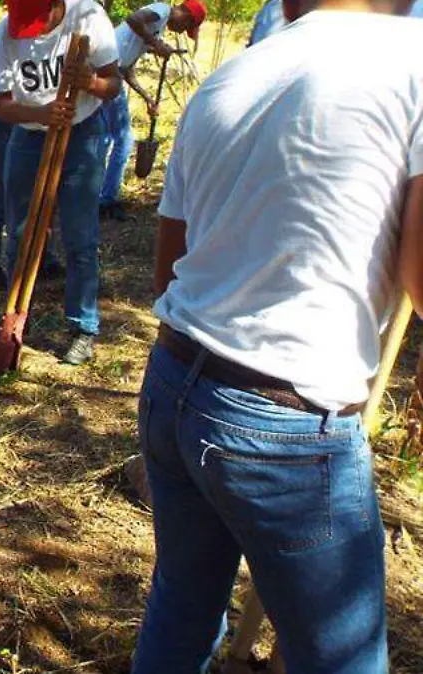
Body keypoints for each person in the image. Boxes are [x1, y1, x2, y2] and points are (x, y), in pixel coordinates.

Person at [130, 0, 422, 668]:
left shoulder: (230, 77)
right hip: (284, 425)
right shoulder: (415, 63)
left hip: (176, 382)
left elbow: (168, 268)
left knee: (181, 601)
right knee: (341, 659)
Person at [0, 0, 121, 365]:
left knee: (80, 238)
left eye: (38, 20)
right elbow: (0, 104)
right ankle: (15, 317)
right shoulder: (7, 30)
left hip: (82, 134)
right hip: (29, 136)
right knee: (19, 232)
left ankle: (83, 326)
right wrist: (41, 113)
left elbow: (114, 84)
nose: (33, 30)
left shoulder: (89, 16)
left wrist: (91, 82)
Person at [99, 0, 205, 222]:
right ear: (185, 14)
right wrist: (155, 43)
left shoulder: (156, 26)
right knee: (123, 140)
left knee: (106, 139)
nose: (183, 31)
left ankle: (97, 196)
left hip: (111, 71)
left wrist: (147, 97)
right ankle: (105, 199)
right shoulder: (162, 10)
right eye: (186, 26)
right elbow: (133, 19)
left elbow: (128, 69)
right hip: (105, 71)